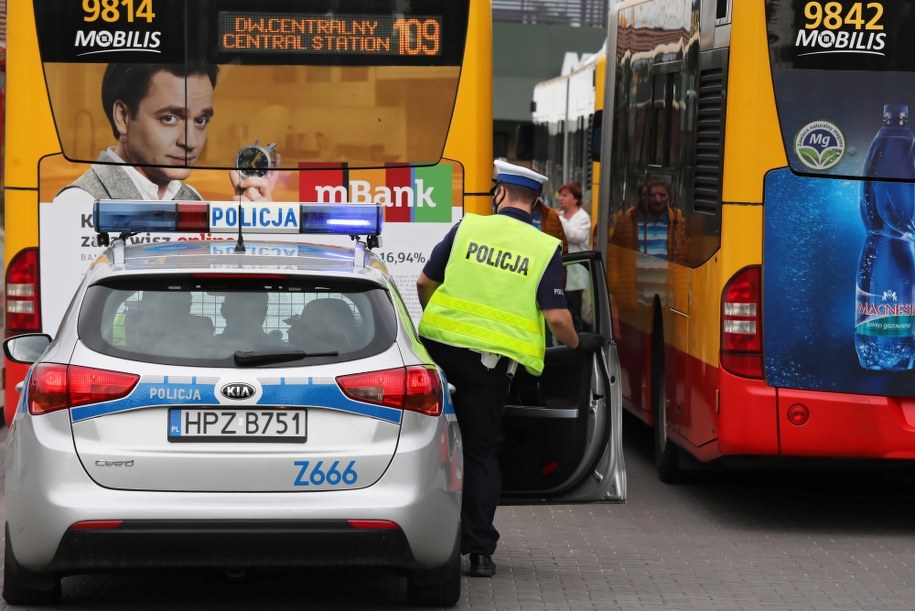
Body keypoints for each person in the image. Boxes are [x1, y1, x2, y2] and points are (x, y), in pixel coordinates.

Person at [416, 159, 605, 578]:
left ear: (499, 193)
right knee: (482, 453)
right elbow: (557, 317)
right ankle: (479, 552)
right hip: (488, 370)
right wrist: (578, 344)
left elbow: (424, 283)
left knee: (426, 446)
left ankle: (420, 536)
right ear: (536, 204)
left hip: (437, 355)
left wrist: (445, 324)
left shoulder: (467, 228)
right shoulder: (543, 247)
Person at [54, 63, 275, 205]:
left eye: (200, 120)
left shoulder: (192, 199)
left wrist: (246, 229)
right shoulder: (79, 203)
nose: (189, 142)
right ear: (123, 117)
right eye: (169, 118)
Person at [557, 181, 592, 331]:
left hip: (576, 275)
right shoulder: (559, 216)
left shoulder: (582, 218)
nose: (561, 198)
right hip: (561, 272)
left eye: (565, 195)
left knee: (575, 311)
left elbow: (576, 236)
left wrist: (560, 220)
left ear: (576, 199)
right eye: (560, 195)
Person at [216, 292, 284, 351]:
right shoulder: (286, 351)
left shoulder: (208, 348)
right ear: (264, 311)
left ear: (223, 309)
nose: (244, 317)